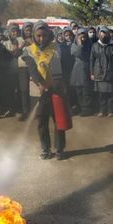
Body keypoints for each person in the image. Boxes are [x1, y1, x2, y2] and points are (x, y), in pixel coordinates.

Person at [21, 21, 68, 160]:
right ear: (34, 36)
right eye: (39, 36)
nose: (42, 38)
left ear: (49, 34)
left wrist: (61, 85)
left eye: (44, 35)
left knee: (58, 120)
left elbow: (64, 67)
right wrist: (40, 84)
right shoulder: (29, 50)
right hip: (38, 91)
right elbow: (32, 69)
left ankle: (60, 149)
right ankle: (45, 148)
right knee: (41, 122)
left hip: (56, 89)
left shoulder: (57, 48)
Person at [90, 27, 113, 117]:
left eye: (105, 34)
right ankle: (102, 110)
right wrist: (91, 73)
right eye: (101, 34)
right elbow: (91, 60)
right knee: (101, 94)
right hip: (98, 72)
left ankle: (111, 110)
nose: (103, 36)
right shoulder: (95, 45)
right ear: (99, 35)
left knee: (111, 93)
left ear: (108, 35)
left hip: (111, 72)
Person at [70, 28, 94, 116]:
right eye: (80, 35)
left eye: (84, 35)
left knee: (86, 91)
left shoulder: (89, 44)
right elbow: (77, 54)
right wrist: (80, 44)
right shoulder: (74, 45)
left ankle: (87, 108)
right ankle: (81, 107)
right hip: (77, 70)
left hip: (86, 68)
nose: (82, 37)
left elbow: (87, 55)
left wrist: (82, 44)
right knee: (78, 91)